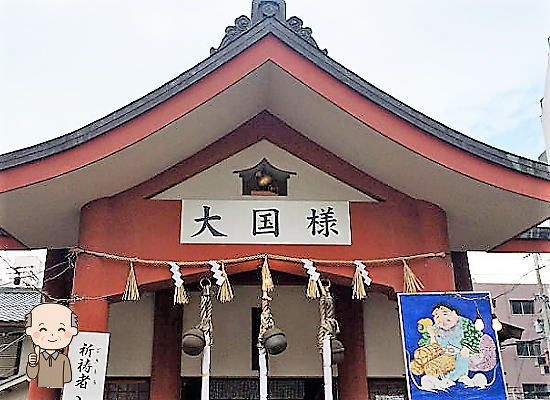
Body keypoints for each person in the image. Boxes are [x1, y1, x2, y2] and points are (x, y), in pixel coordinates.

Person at [422, 303, 481, 381]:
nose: (442, 319)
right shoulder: (434, 329)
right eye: (437, 316)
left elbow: (475, 336)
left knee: (462, 377)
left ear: (454, 313)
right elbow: (429, 346)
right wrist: (432, 335)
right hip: (443, 362)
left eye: (445, 313)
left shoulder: (464, 323)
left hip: (461, 359)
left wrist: (466, 348)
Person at [25, 303, 79, 388]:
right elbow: (31, 376)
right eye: (43, 329)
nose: (52, 335)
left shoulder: (63, 359)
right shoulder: (39, 358)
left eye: (61, 329)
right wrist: (32, 364)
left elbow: (67, 378)